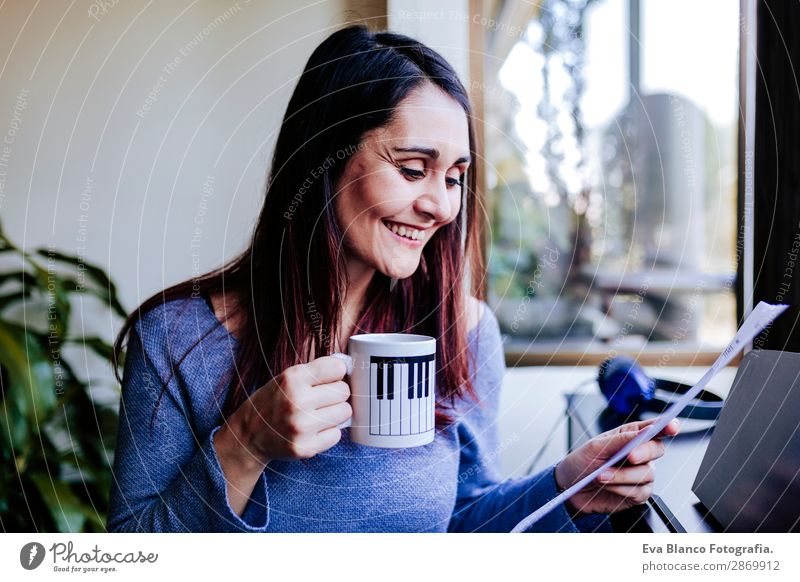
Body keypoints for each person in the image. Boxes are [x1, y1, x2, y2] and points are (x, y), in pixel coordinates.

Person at [106, 25, 679, 533]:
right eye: (411, 169)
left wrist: (569, 489)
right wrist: (245, 444)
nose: (441, 206)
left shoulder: (465, 331)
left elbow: (460, 523)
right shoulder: (179, 339)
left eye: (455, 177)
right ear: (322, 158)